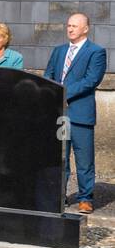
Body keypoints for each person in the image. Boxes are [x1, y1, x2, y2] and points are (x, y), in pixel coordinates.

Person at [45, 13, 106, 214]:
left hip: (80, 114)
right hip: (60, 114)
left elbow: (91, 80)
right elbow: (49, 75)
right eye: (68, 25)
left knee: (84, 159)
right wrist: (51, 93)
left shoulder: (96, 52)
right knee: (59, 158)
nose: (70, 29)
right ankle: (59, 196)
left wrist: (63, 92)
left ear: (85, 29)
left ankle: (85, 198)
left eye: (74, 26)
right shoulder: (59, 51)